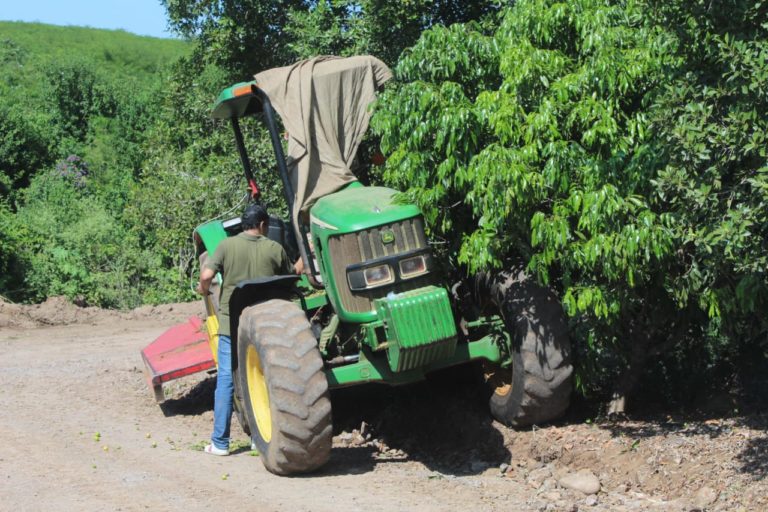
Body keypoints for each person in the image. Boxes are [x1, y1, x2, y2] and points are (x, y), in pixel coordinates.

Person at [196, 203, 295, 456]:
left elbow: (207, 275)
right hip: (267, 328)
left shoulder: (226, 246)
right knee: (260, 379)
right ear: (263, 225)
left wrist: (204, 290)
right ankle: (259, 438)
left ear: (243, 225)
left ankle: (220, 442)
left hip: (233, 323)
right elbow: (290, 277)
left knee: (227, 380)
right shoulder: (274, 248)